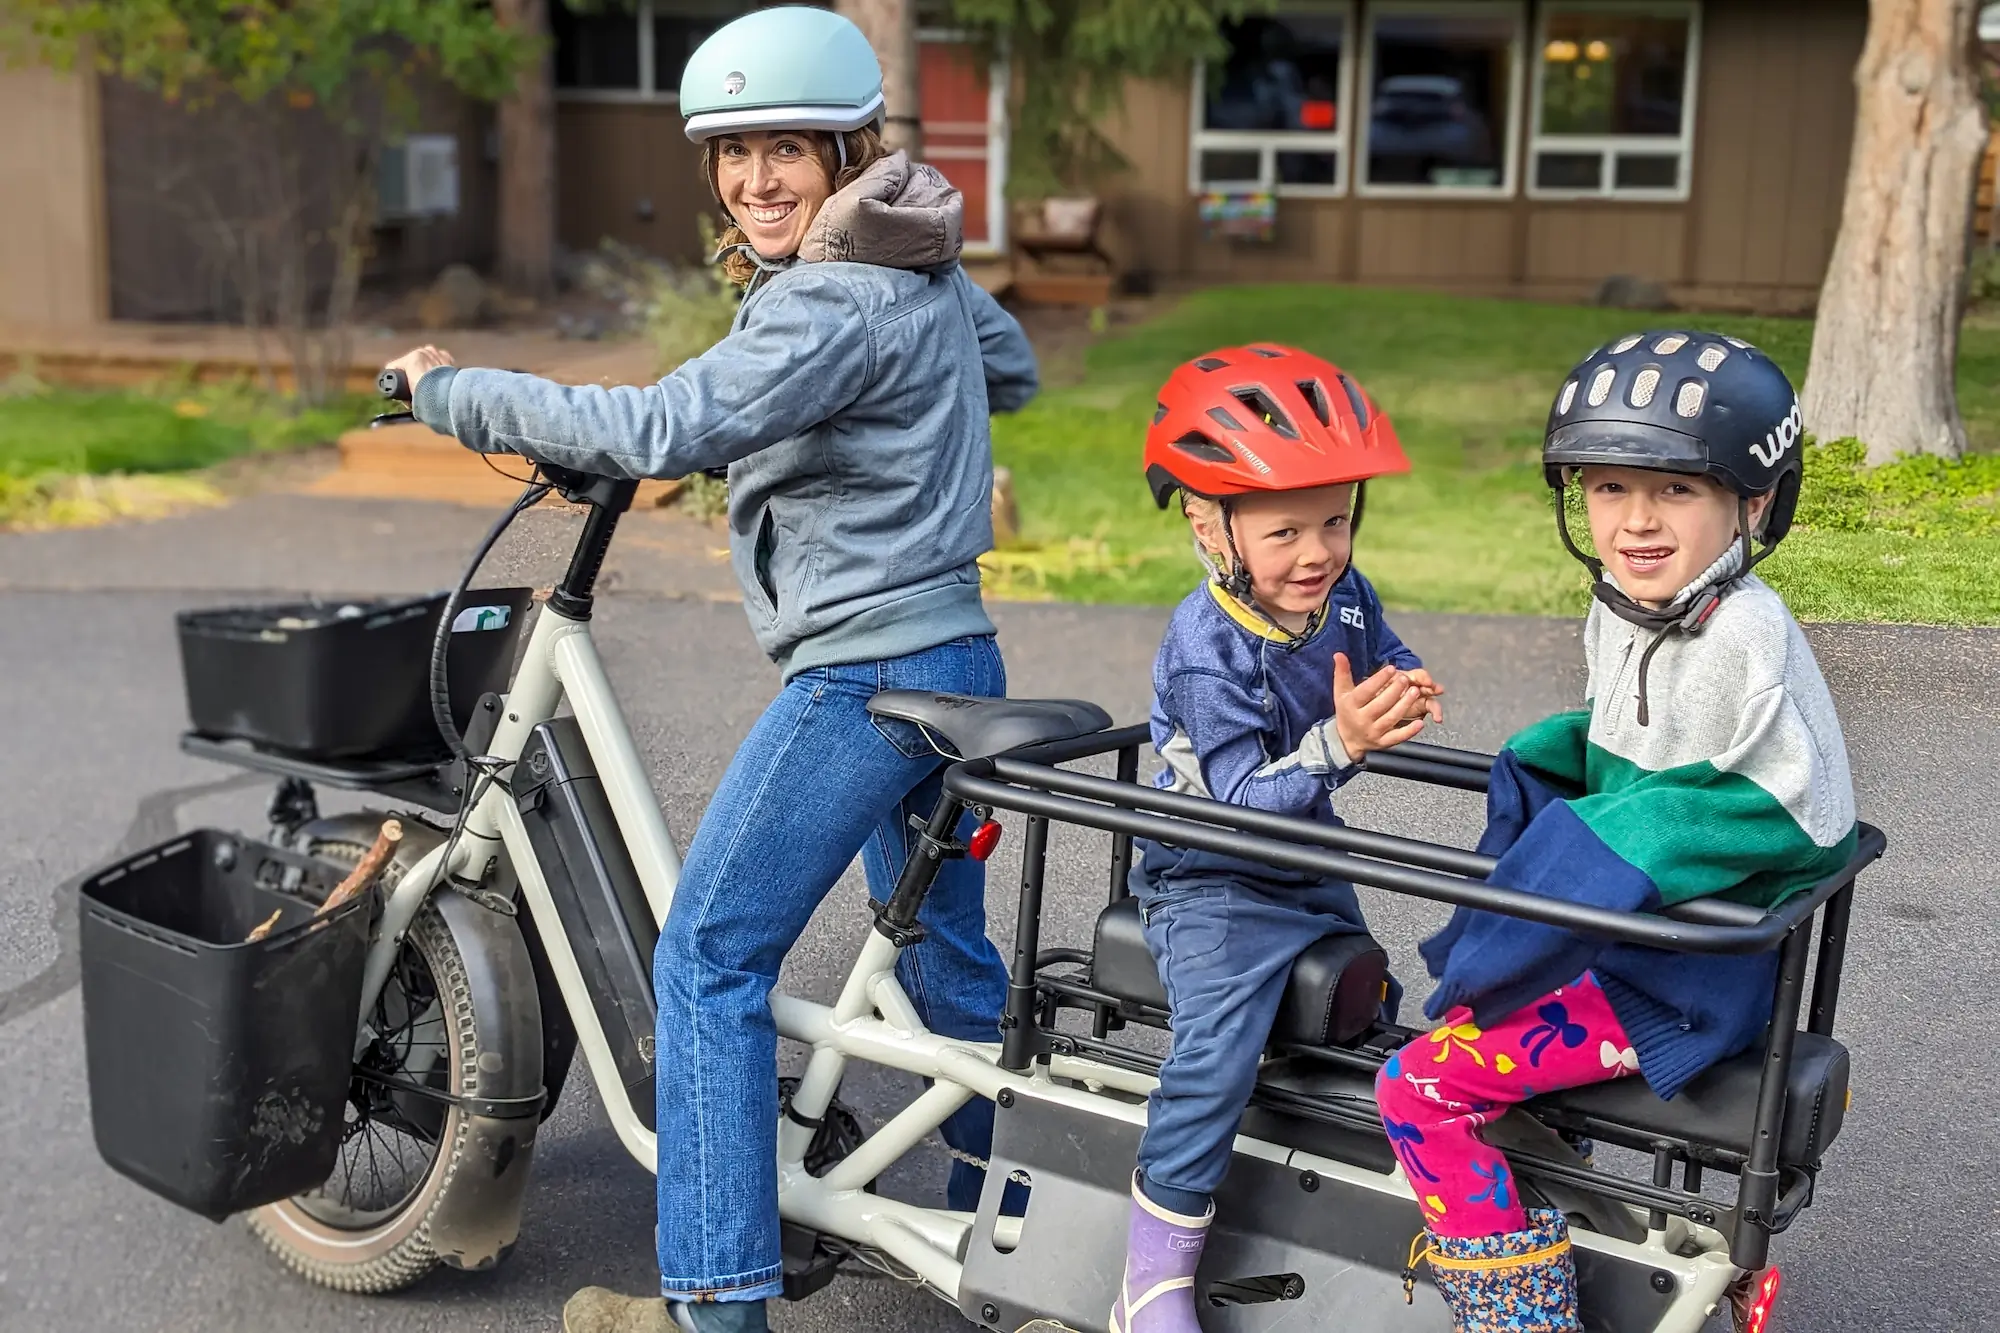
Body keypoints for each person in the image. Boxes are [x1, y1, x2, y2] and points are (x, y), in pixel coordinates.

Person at [384, 8, 1038, 1332]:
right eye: (733, 156)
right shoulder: (916, 267)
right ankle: (1015, 1246)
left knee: (709, 962)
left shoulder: (832, 301)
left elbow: (662, 428)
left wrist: (456, 396)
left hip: (863, 679)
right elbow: (1008, 370)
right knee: (947, 962)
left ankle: (714, 1300)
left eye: (786, 149)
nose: (756, 181)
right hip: (956, 649)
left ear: (849, 148)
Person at [1378, 332, 1859, 1332]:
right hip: (1633, 955)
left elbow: (1798, 814)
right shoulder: (1630, 608)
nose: (1634, 522)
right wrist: (1553, 759)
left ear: (1753, 502)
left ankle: (1522, 1315)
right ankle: (1588, 1224)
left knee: (1414, 1084)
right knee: (1472, 1039)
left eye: (1675, 492)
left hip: (1674, 986)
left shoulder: (1743, 636)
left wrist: (1598, 839)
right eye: (1605, 489)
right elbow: (1624, 743)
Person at [1112, 345, 1444, 1333]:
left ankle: (1338, 1195)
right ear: (1207, 526)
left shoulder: (1341, 593)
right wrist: (1340, 744)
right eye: (1285, 529)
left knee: (1366, 1000)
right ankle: (1150, 1276)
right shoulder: (1203, 645)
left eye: (1335, 520)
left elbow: (1380, 654)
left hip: (1304, 859)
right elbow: (1236, 802)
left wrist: (1401, 689)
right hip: (1206, 877)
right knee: (1216, 1050)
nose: (1317, 551)